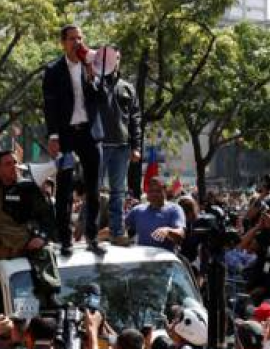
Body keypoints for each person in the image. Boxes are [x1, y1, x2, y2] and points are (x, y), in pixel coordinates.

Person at [43, 24, 106, 255]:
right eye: (72, 39)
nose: (77, 42)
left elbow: (103, 99)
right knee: (65, 188)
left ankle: (92, 237)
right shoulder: (53, 70)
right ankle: (65, 239)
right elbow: (49, 106)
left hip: (89, 134)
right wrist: (53, 135)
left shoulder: (91, 67)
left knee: (93, 188)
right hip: (66, 136)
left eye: (80, 38)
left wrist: (93, 76)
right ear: (63, 43)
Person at [0, 150, 60, 309]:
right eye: (7, 164)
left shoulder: (29, 188)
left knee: (47, 253)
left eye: (14, 163)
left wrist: (41, 237)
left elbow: (48, 218)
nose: (13, 167)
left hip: (24, 239)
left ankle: (50, 298)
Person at [95, 47, 142, 247]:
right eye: (110, 58)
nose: (115, 61)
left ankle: (116, 230)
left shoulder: (128, 88)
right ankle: (91, 230)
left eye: (117, 58)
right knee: (93, 190)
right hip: (98, 144)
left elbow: (135, 119)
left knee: (118, 192)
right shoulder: (94, 84)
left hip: (122, 146)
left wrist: (136, 146)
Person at [125, 176, 186, 251]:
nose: (154, 194)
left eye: (158, 191)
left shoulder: (175, 209)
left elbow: (181, 235)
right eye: (151, 191)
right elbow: (121, 227)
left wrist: (167, 231)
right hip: (142, 259)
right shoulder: (137, 210)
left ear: (165, 191)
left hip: (165, 259)